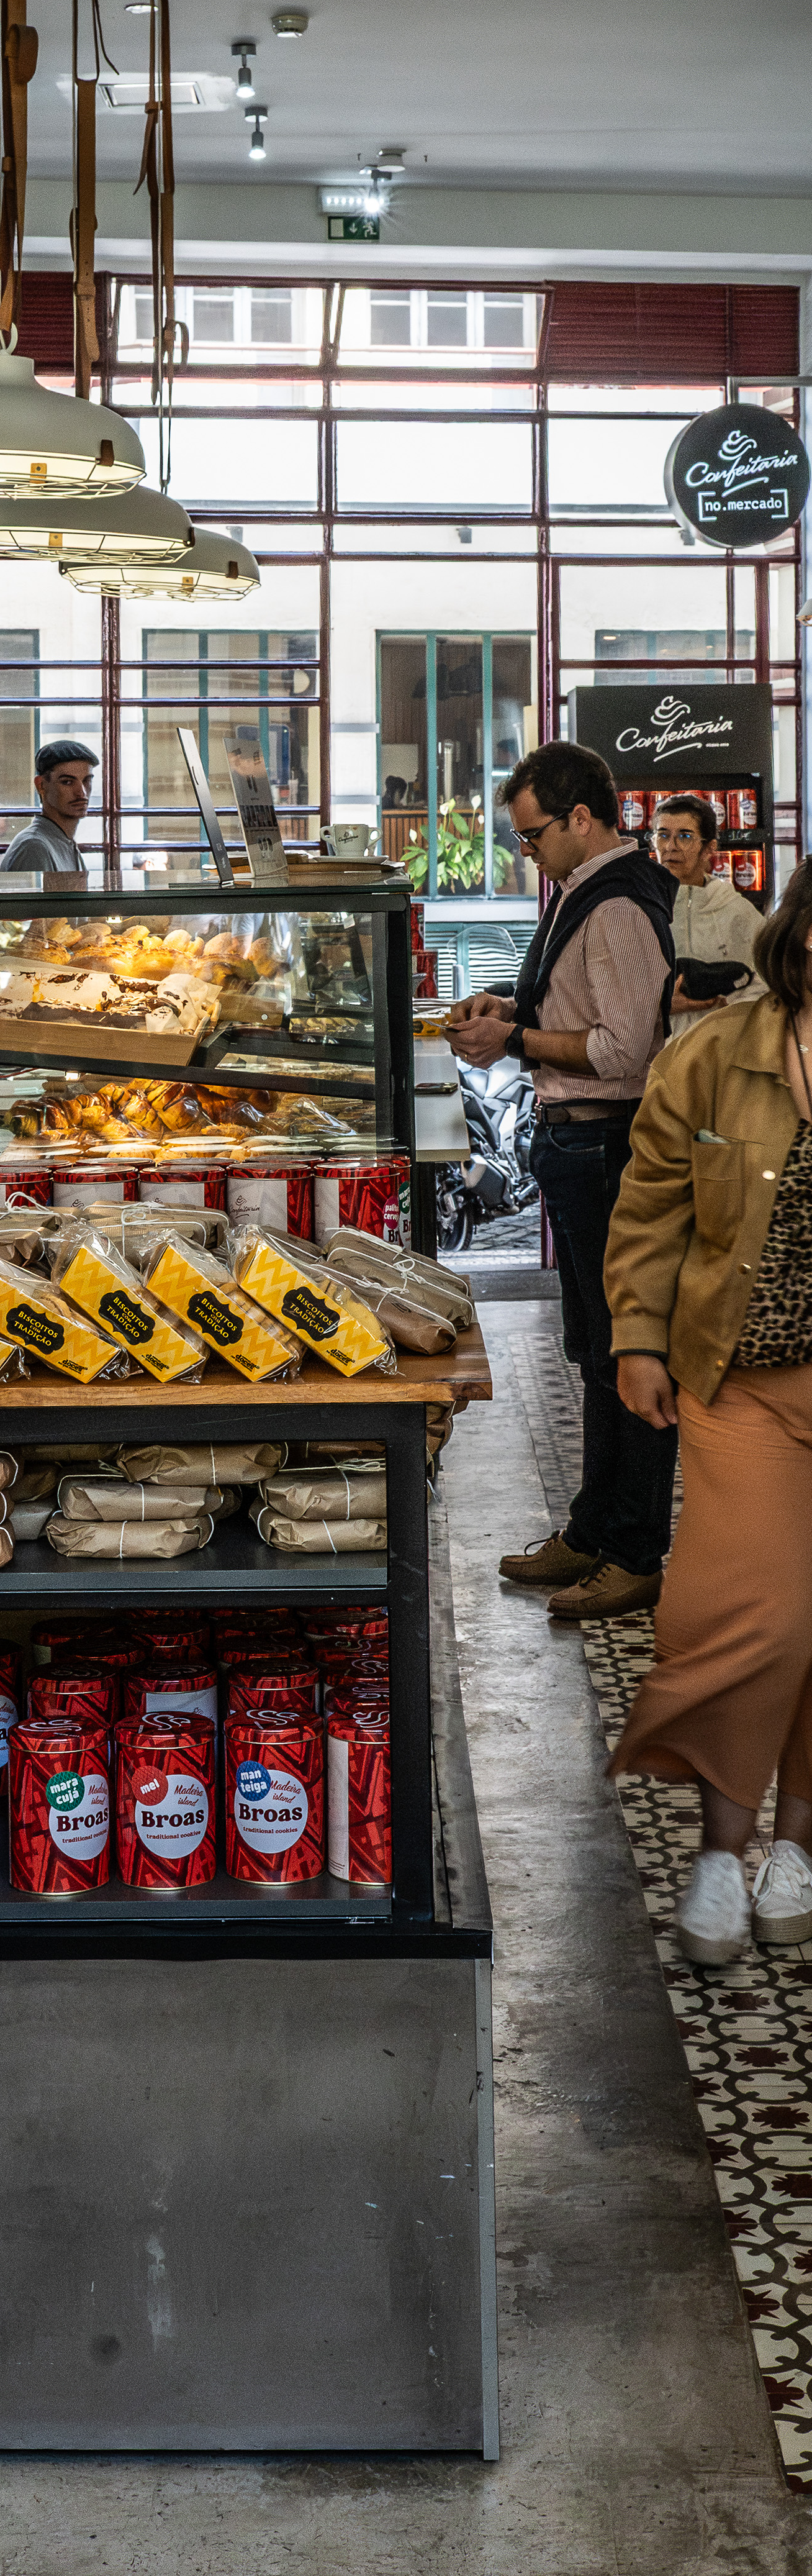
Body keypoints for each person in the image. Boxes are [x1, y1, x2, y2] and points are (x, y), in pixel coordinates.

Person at [602, 857, 812, 1965]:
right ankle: (721, 1854)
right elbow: (648, 1207)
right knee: (748, 1615)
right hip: (741, 1383)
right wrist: (636, 1337)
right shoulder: (713, 1053)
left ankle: (796, 1848)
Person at [447, 739, 679, 1623]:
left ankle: (634, 1551)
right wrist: (512, 1006)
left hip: (609, 1147)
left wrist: (514, 1041)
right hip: (578, 1148)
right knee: (595, 1354)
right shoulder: (586, 892)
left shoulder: (618, 905)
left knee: (631, 1355)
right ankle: (592, 1530)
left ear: (581, 818)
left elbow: (625, 1050)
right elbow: (582, 1006)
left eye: (532, 836)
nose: (527, 852)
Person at [654, 794, 763, 1023]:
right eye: (663, 835)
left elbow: (769, 985)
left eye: (684, 836)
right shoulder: (638, 910)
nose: (671, 847)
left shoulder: (739, 914)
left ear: (709, 848)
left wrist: (726, 1008)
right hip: (656, 1056)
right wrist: (660, 1006)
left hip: (721, 1053)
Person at [0, 739, 97, 876]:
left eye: (87, 780)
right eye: (67, 782)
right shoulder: (34, 848)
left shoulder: (62, 842)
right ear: (41, 785)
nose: (82, 793)